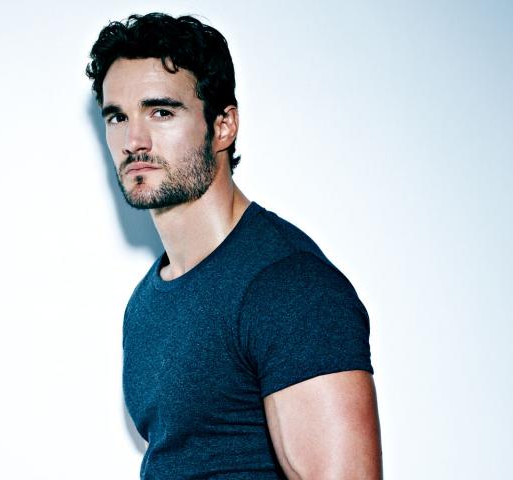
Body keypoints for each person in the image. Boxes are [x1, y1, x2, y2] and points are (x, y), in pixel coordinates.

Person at [86, 12, 382, 479]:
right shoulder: (146, 304)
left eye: (161, 112)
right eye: (117, 116)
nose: (134, 140)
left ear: (223, 126)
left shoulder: (289, 287)